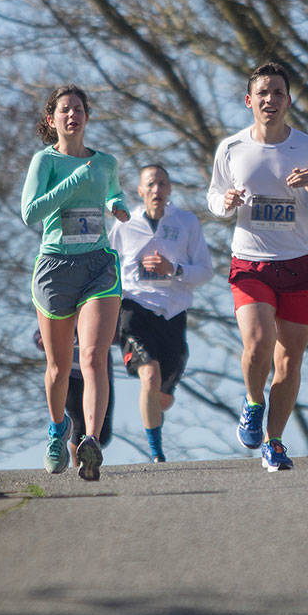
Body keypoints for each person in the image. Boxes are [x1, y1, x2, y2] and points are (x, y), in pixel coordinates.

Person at [207, 61, 308, 472]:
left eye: (278, 93)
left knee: (289, 361)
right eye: (262, 93)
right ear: (249, 101)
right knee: (258, 342)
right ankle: (252, 402)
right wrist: (224, 204)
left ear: (288, 101)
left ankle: (275, 442)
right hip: (251, 262)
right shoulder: (232, 148)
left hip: (299, 263)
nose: (270, 99)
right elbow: (214, 197)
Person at [22, 84, 130, 480]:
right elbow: (30, 213)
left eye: (79, 109)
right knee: (58, 365)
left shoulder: (105, 162)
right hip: (55, 267)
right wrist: (70, 184)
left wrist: (118, 206)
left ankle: (91, 441)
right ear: (52, 120)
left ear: (87, 116)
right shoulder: (44, 162)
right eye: (65, 110)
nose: (73, 115)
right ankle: (57, 431)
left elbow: (113, 191)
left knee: (93, 357)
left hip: (98, 265)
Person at [108, 164, 213, 462]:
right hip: (134, 310)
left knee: (162, 396)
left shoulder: (187, 223)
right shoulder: (124, 226)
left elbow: (206, 271)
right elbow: (108, 270)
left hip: (173, 313)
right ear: (139, 191)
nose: (157, 190)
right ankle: (157, 453)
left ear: (170, 189)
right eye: (151, 185)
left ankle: (159, 404)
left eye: (162, 184)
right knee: (149, 378)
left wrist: (174, 269)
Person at [34, 328, 113, 465]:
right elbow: (40, 335)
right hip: (72, 376)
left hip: (100, 376)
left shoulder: (98, 314)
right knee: (79, 423)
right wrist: (41, 341)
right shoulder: (66, 315)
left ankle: (91, 445)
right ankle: (79, 464)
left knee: (104, 434)